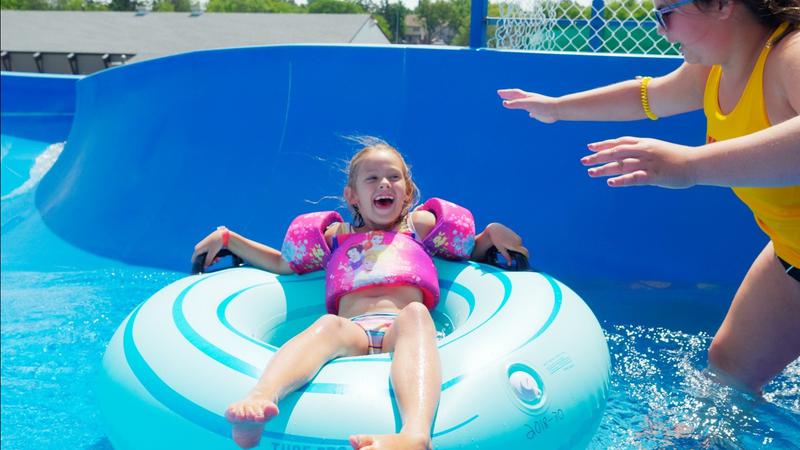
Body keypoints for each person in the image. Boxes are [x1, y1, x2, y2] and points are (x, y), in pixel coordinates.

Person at [498, 0, 799, 394]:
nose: (660, 29)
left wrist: (690, 165)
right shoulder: (712, 71)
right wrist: (557, 108)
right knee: (731, 369)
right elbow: (647, 95)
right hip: (790, 254)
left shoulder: (790, 57)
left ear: (723, 5)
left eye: (665, 13)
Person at [191, 140, 527, 450]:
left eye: (393, 177)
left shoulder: (418, 227)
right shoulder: (335, 235)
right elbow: (283, 264)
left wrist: (491, 234)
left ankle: (415, 434)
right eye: (372, 178)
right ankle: (262, 397)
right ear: (352, 196)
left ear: (407, 192)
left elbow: (469, 251)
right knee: (328, 325)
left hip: (401, 326)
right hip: (353, 330)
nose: (384, 184)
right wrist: (229, 240)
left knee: (416, 314)